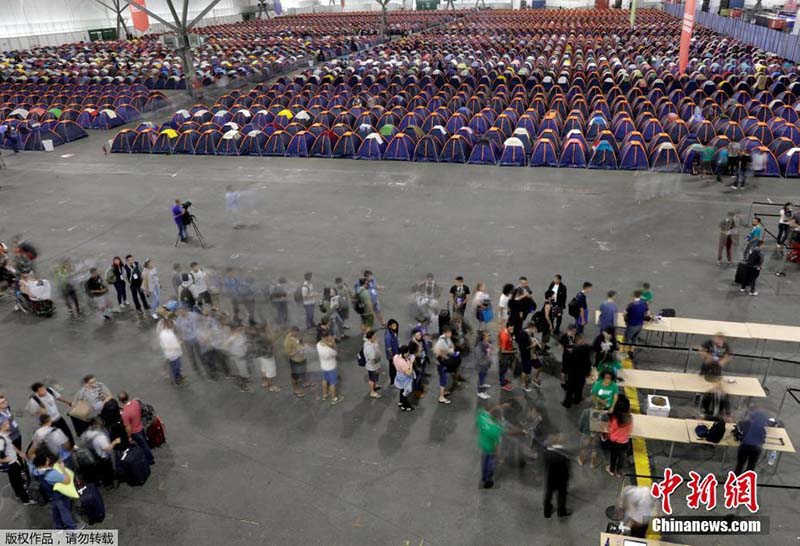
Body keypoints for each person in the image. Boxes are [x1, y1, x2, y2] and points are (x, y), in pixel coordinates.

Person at [31, 451, 77, 530]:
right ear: (44, 463)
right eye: (47, 459)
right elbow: (67, 480)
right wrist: (63, 470)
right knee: (65, 511)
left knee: (55, 510)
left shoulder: (35, 471)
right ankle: (72, 528)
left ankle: (59, 527)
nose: (48, 459)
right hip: (58, 495)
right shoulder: (51, 474)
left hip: (48, 495)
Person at [0, 418, 33, 504]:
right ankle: (26, 500)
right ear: (1, 426)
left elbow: (11, 445)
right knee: (18, 482)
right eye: (7, 424)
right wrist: (4, 460)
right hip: (12, 464)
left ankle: (18, 494)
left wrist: (19, 452)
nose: (9, 425)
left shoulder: (5, 435)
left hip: (13, 462)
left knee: (14, 480)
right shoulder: (1, 439)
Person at [80, 417, 119, 486]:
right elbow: (107, 448)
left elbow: (83, 442)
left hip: (94, 455)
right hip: (103, 457)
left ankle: (104, 481)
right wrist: (115, 442)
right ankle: (110, 483)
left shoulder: (86, 432)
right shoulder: (100, 437)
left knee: (101, 470)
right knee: (108, 471)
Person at [118, 392, 155, 465]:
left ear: (120, 401)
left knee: (143, 445)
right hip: (140, 426)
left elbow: (128, 427)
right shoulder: (135, 403)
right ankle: (148, 455)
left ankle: (150, 459)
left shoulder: (125, 414)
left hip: (135, 431)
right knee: (144, 442)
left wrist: (129, 437)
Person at [476, 406, 505, 488]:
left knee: (484, 461)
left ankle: (484, 477)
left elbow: (481, 411)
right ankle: (488, 479)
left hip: (483, 444)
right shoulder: (496, 429)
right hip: (491, 449)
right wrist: (499, 457)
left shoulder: (482, 416)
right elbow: (497, 445)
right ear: (497, 417)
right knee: (491, 463)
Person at [543, 434, 571, 518]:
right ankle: (561, 511)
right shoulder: (563, 453)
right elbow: (567, 466)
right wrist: (568, 476)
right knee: (561, 495)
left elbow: (545, 465)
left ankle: (547, 512)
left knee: (548, 494)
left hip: (550, 477)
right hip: (562, 478)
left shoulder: (546, 452)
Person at [735, 405, 768, 473]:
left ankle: (735, 480)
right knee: (751, 466)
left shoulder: (745, 424)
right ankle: (747, 481)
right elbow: (763, 438)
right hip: (756, 448)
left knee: (740, 465)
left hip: (745, 446)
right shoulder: (761, 425)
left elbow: (740, 430)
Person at [562, 333, 591, 408]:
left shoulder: (573, 350)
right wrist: (588, 372)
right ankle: (576, 400)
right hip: (581, 373)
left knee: (570, 388)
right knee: (579, 387)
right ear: (580, 340)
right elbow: (588, 363)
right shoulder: (585, 350)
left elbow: (568, 361)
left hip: (572, 373)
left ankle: (567, 402)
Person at [607, 395, 633, 477]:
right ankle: (619, 471)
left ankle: (611, 470)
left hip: (615, 443)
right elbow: (630, 430)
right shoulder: (630, 418)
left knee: (613, 456)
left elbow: (611, 431)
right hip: (625, 442)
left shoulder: (615, 420)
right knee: (622, 457)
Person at [434, 325, 460, 404]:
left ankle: (443, 392)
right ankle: (441, 397)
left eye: (450, 332)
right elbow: (440, 352)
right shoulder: (441, 341)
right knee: (443, 379)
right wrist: (449, 352)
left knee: (445, 378)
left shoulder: (446, 338)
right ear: (444, 333)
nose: (450, 334)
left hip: (445, 361)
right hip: (441, 364)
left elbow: (451, 346)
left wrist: (449, 351)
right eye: (448, 333)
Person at [251, 323, 280, 391]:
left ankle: (265, 382)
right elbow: (273, 339)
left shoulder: (257, 336)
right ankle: (271, 386)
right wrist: (271, 331)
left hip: (261, 355)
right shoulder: (265, 337)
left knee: (264, 369)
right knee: (270, 371)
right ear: (265, 329)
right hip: (267, 356)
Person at [317, 332, 343, 405]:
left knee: (325, 380)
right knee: (332, 383)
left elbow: (324, 344)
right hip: (331, 367)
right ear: (326, 337)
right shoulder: (328, 350)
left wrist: (328, 343)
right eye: (329, 336)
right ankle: (334, 398)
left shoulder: (318, 344)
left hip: (323, 366)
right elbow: (335, 353)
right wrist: (333, 343)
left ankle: (325, 394)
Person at [159, 318, 184, 385]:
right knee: (175, 368)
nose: (172, 325)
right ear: (165, 325)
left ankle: (178, 377)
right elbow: (166, 347)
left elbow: (173, 340)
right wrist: (176, 346)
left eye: (171, 323)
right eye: (170, 324)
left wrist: (178, 342)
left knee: (178, 366)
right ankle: (176, 380)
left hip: (176, 353)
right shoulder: (164, 334)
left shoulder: (169, 331)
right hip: (172, 354)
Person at [284, 326, 308, 398]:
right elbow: (288, 354)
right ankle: (296, 389)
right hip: (295, 361)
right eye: (296, 333)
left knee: (304, 370)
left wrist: (303, 346)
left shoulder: (297, 336)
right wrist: (296, 351)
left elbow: (300, 342)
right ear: (292, 332)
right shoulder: (287, 341)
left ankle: (305, 382)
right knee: (295, 376)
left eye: (298, 333)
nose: (298, 334)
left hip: (302, 358)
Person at [393, 345, 415, 412]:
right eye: (407, 352)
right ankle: (405, 405)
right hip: (405, 378)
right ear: (404, 353)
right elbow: (408, 373)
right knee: (406, 392)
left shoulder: (396, 357)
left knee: (402, 389)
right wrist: (411, 363)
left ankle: (400, 402)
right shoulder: (403, 363)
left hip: (399, 375)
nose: (408, 354)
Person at [408, 327, 428, 398]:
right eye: (417, 336)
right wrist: (419, 347)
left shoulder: (421, 339)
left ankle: (420, 388)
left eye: (420, 335)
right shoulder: (411, 344)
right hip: (416, 364)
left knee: (420, 376)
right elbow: (413, 356)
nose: (419, 337)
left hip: (422, 360)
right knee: (416, 378)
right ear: (413, 336)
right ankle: (416, 392)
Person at [363, 329, 383, 399]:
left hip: (375, 365)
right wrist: (377, 366)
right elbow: (372, 359)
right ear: (371, 337)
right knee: (372, 379)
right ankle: (372, 392)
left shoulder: (371, 343)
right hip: (372, 366)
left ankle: (375, 386)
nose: (376, 337)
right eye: (374, 336)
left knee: (374, 377)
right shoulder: (368, 347)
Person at [497, 322, 515, 392]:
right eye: (510, 328)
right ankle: (502, 384)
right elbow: (503, 351)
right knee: (503, 369)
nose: (512, 330)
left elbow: (499, 337)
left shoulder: (506, 331)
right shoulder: (505, 336)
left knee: (504, 368)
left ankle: (502, 379)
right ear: (507, 327)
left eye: (513, 328)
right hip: (504, 355)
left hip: (507, 352)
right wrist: (512, 352)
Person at [475, 330, 493, 400]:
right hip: (481, 366)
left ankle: (482, 385)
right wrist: (487, 361)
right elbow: (479, 359)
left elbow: (488, 354)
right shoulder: (479, 346)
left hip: (486, 364)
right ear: (483, 337)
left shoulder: (487, 344)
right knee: (480, 377)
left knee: (484, 376)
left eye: (489, 335)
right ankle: (480, 392)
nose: (488, 337)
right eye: (487, 336)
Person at [384, 319, 400, 386]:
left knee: (395, 367)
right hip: (392, 356)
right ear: (390, 326)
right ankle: (393, 381)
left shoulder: (393, 332)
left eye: (396, 325)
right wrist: (393, 358)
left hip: (396, 352)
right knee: (392, 368)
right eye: (393, 325)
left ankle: (396, 379)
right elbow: (389, 349)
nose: (395, 326)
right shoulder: (388, 336)